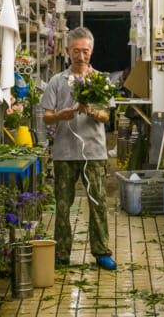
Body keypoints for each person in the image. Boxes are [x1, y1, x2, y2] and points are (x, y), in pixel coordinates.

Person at [40, 27, 116, 270]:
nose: (81, 57)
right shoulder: (57, 81)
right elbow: (46, 117)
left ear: (91, 51)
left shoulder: (100, 81)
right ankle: (61, 253)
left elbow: (106, 116)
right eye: (76, 51)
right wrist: (60, 116)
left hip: (93, 153)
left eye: (85, 51)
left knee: (98, 202)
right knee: (62, 205)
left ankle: (102, 251)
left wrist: (91, 110)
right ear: (66, 51)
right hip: (64, 153)